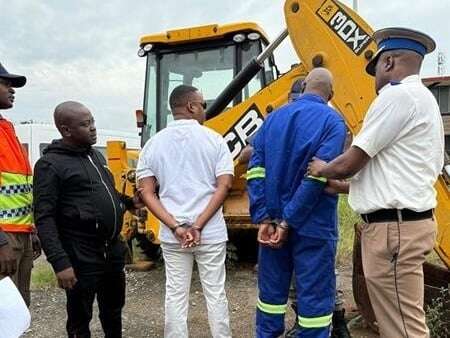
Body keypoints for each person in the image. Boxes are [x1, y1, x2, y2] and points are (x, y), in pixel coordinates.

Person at [308, 28, 443, 338]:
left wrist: (321, 169)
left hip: (392, 233)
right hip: (404, 226)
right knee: (399, 323)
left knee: (405, 329)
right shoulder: (424, 100)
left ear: (389, 62)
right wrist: (346, 188)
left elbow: (350, 162)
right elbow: (393, 176)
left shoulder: (396, 95)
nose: (375, 79)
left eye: (376, 69)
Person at [247, 68, 347, 338]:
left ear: (302, 89)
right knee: (314, 304)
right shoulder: (333, 122)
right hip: (314, 227)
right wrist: (287, 221)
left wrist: (266, 218)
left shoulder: (272, 119)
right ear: (331, 95)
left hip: (272, 225)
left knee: (270, 297)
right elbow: (316, 177)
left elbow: (255, 170)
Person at [33, 101, 142, 338]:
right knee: (80, 318)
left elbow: (109, 195)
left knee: (113, 311)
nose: (93, 128)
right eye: (85, 124)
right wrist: (60, 263)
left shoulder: (95, 156)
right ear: (66, 130)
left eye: (92, 121)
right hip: (80, 254)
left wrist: (131, 203)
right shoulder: (50, 165)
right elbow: (44, 217)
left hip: (112, 251)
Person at [137, 85, 234, 338]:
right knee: (215, 292)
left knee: (176, 293)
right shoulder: (215, 141)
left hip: (173, 236)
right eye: (202, 105)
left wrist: (176, 226)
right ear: (191, 106)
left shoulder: (152, 145)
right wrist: (199, 225)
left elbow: (147, 192)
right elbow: (224, 185)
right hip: (210, 232)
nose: (204, 110)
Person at [0, 62, 41, 307]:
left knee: (18, 307)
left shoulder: (7, 128)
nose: (12, 89)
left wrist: (31, 228)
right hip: (4, 236)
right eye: (5, 83)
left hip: (20, 234)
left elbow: (20, 188)